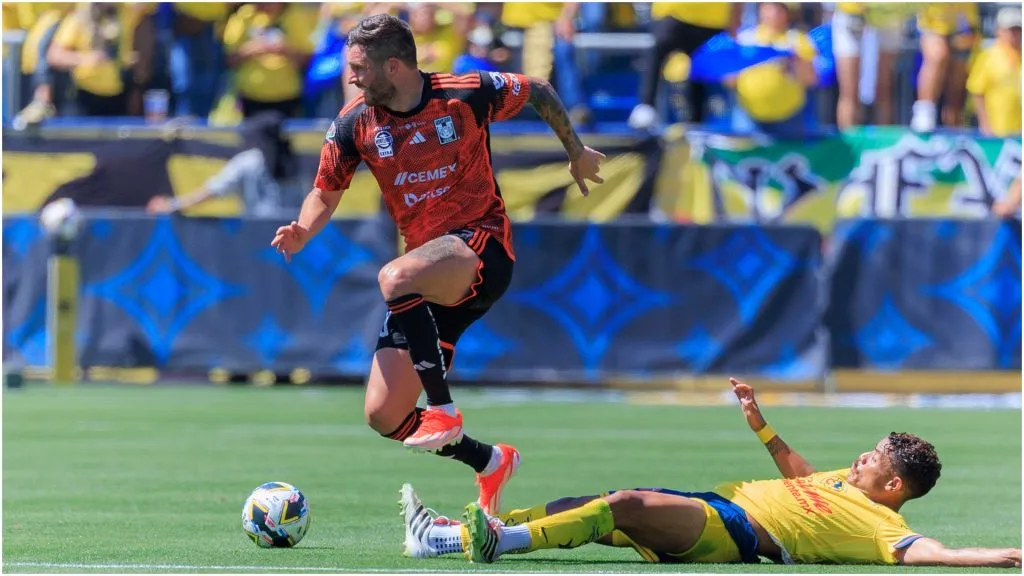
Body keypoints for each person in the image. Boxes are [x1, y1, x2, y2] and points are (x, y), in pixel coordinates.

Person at [270, 14, 605, 515]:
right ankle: (489, 461)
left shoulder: (465, 94)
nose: (352, 78)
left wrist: (576, 153)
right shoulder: (353, 122)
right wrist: (301, 228)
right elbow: (325, 191)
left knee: (394, 275)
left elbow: (537, 88)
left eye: (360, 68)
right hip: (428, 277)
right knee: (384, 415)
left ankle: (444, 410)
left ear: (396, 66)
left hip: (481, 247)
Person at [398, 377, 1021, 568]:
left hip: (735, 531)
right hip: (712, 505)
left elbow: (929, 552)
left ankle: (499, 541)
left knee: (624, 504)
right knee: (576, 505)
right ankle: (442, 538)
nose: (859, 459)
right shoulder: (837, 482)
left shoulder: (881, 526)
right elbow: (800, 474)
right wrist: (761, 425)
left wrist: (1000, 557)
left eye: (871, 461)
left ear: (892, 487)